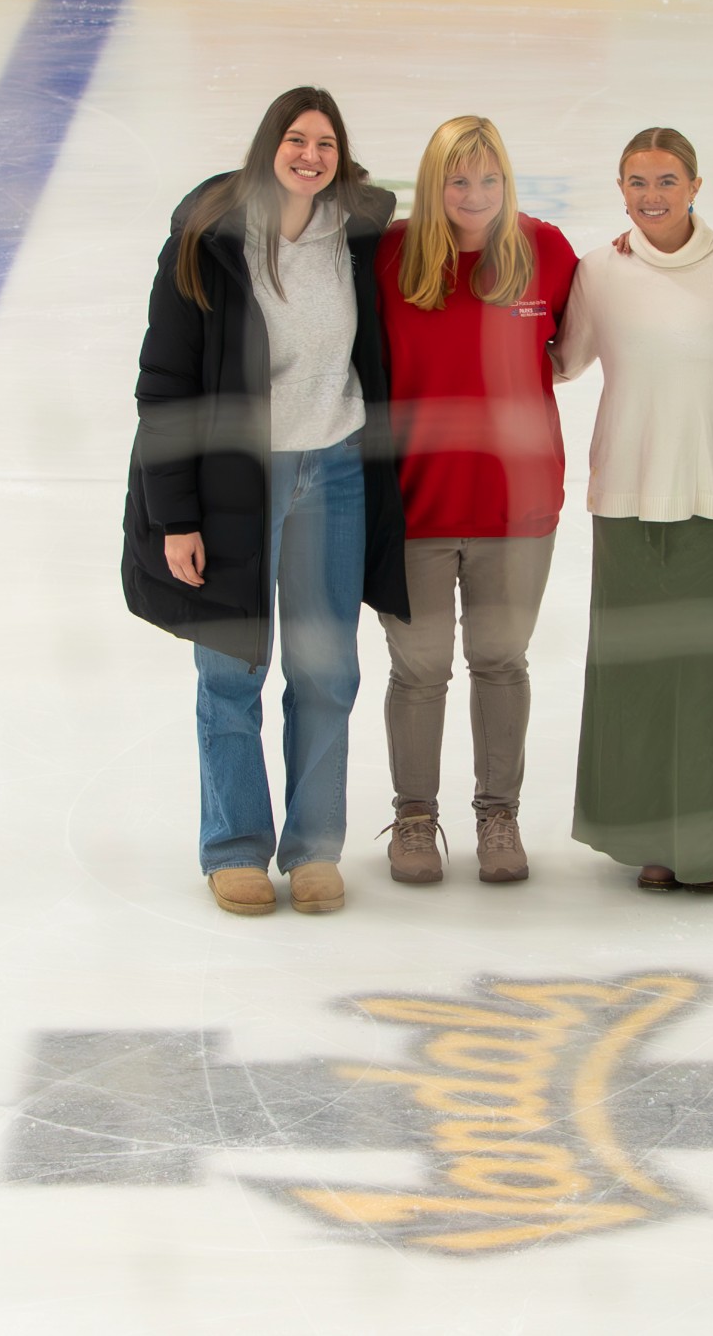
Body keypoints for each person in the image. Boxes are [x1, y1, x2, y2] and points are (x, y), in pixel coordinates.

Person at [122, 87, 408, 916]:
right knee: (231, 669)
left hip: (337, 469)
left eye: (325, 142)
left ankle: (315, 849)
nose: (310, 154)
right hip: (234, 485)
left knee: (327, 670)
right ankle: (235, 848)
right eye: (295, 138)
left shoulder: (353, 232)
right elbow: (164, 386)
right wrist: (176, 515)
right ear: (266, 146)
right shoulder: (208, 242)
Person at [551, 127, 713, 892]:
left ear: (696, 186)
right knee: (634, 673)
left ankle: (703, 839)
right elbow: (560, 359)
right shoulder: (599, 271)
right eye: (638, 183)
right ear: (620, 190)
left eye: (668, 181)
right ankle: (650, 836)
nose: (653, 196)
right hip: (624, 493)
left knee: (702, 673)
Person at [374, 115, 577, 885]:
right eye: (458, 180)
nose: (475, 194)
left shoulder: (545, 251)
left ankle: (499, 816)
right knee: (419, 669)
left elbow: (577, 344)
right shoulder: (389, 254)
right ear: (433, 185)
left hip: (515, 509)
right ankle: (415, 819)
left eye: (489, 179)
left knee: (500, 660)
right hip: (414, 504)